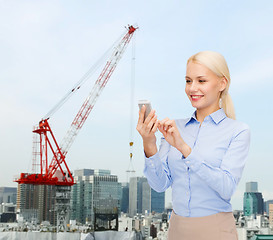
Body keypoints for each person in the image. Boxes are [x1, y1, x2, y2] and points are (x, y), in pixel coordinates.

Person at [136, 51, 250, 240]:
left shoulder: (238, 131)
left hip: (217, 230)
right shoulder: (175, 128)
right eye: (188, 81)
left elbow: (227, 187)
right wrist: (149, 144)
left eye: (201, 81)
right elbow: (160, 185)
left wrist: (185, 149)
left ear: (222, 83)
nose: (192, 88)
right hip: (177, 229)